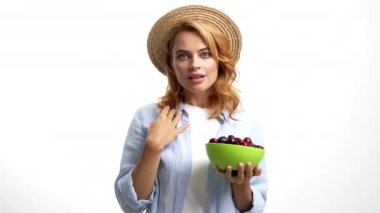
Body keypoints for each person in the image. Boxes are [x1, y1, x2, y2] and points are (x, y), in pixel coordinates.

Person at [114, 5, 268, 213]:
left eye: (205, 54)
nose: (194, 64)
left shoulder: (245, 124)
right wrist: (153, 147)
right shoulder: (148, 117)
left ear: (219, 61)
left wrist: (241, 184)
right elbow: (130, 204)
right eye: (183, 56)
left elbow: (252, 209)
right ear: (172, 63)